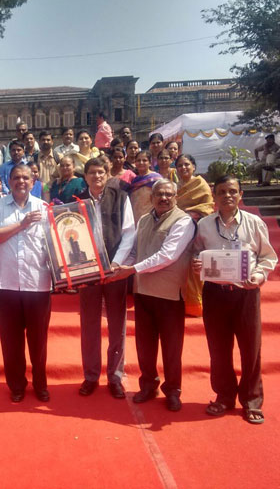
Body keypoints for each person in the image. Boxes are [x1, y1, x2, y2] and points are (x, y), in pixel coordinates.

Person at [192, 175, 277, 424]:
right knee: (218, 349)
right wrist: (197, 263)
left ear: (241, 195)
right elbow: (196, 252)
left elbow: (268, 257)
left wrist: (259, 275)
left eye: (232, 191)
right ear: (214, 196)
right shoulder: (205, 225)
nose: (227, 196)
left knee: (251, 348)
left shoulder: (254, 223)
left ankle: (252, 400)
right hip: (215, 294)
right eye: (221, 192)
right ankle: (224, 396)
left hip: (246, 294)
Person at [109, 179, 196, 411]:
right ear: (151, 197)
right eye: (159, 194)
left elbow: (168, 255)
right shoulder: (144, 220)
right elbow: (134, 252)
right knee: (145, 345)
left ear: (176, 197)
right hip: (143, 292)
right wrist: (116, 266)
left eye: (168, 194)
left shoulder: (183, 221)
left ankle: (173, 390)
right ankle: (148, 385)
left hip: (169, 295)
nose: (163, 198)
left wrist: (132, 269)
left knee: (171, 348)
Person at [0, 164, 52, 403]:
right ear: (9, 181)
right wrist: (21, 225)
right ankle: (17, 385)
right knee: (11, 341)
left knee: (38, 340)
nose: (21, 181)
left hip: (38, 283)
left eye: (25, 178)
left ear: (33, 182)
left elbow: (54, 245)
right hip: (7, 283)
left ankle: (40, 384)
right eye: (16, 178)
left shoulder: (44, 208)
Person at [77, 157, 135, 400]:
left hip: (115, 269)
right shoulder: (76, 200)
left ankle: (115, 376)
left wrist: (116, 263)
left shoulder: (120, 196)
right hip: (87, 272)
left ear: (107, 173)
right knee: (89, 325)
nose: (97, 176)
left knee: (117, 325)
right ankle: (91, 376)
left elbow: (129, 233)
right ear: (86, 176)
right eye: (92, 172)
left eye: (101, 172)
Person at [175, 154, 214, 317]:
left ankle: (195, 305)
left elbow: (208, 206)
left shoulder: (200, 184)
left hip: (197, 230)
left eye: (186, 164)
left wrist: (189, 214)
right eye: (180, 165)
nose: (183, 168)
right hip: (178, 231)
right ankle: (180, 302)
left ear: (194, 167)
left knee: (194, 266)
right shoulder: (175, 186)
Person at [129, 151, 162, 223]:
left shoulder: (156, 179)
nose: (141, 163)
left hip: (151, 218)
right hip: (135, 217)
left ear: (150, 163)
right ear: (135, 163)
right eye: (138, 160)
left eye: (144, 160)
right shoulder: (134, 180)